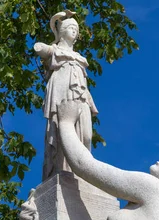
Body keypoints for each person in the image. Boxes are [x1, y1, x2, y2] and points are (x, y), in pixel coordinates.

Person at [34, 11, 98, 180]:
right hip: (62, 92)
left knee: (85, 135)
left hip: (81, 95)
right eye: (70, 27)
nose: (74, 31)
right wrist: (45, 46)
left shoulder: (79, 57)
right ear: (62, 31)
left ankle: (84, 172)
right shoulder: (55, 50)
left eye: (76, 29)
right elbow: (40, 48)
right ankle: (62, 171)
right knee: (61, 132)